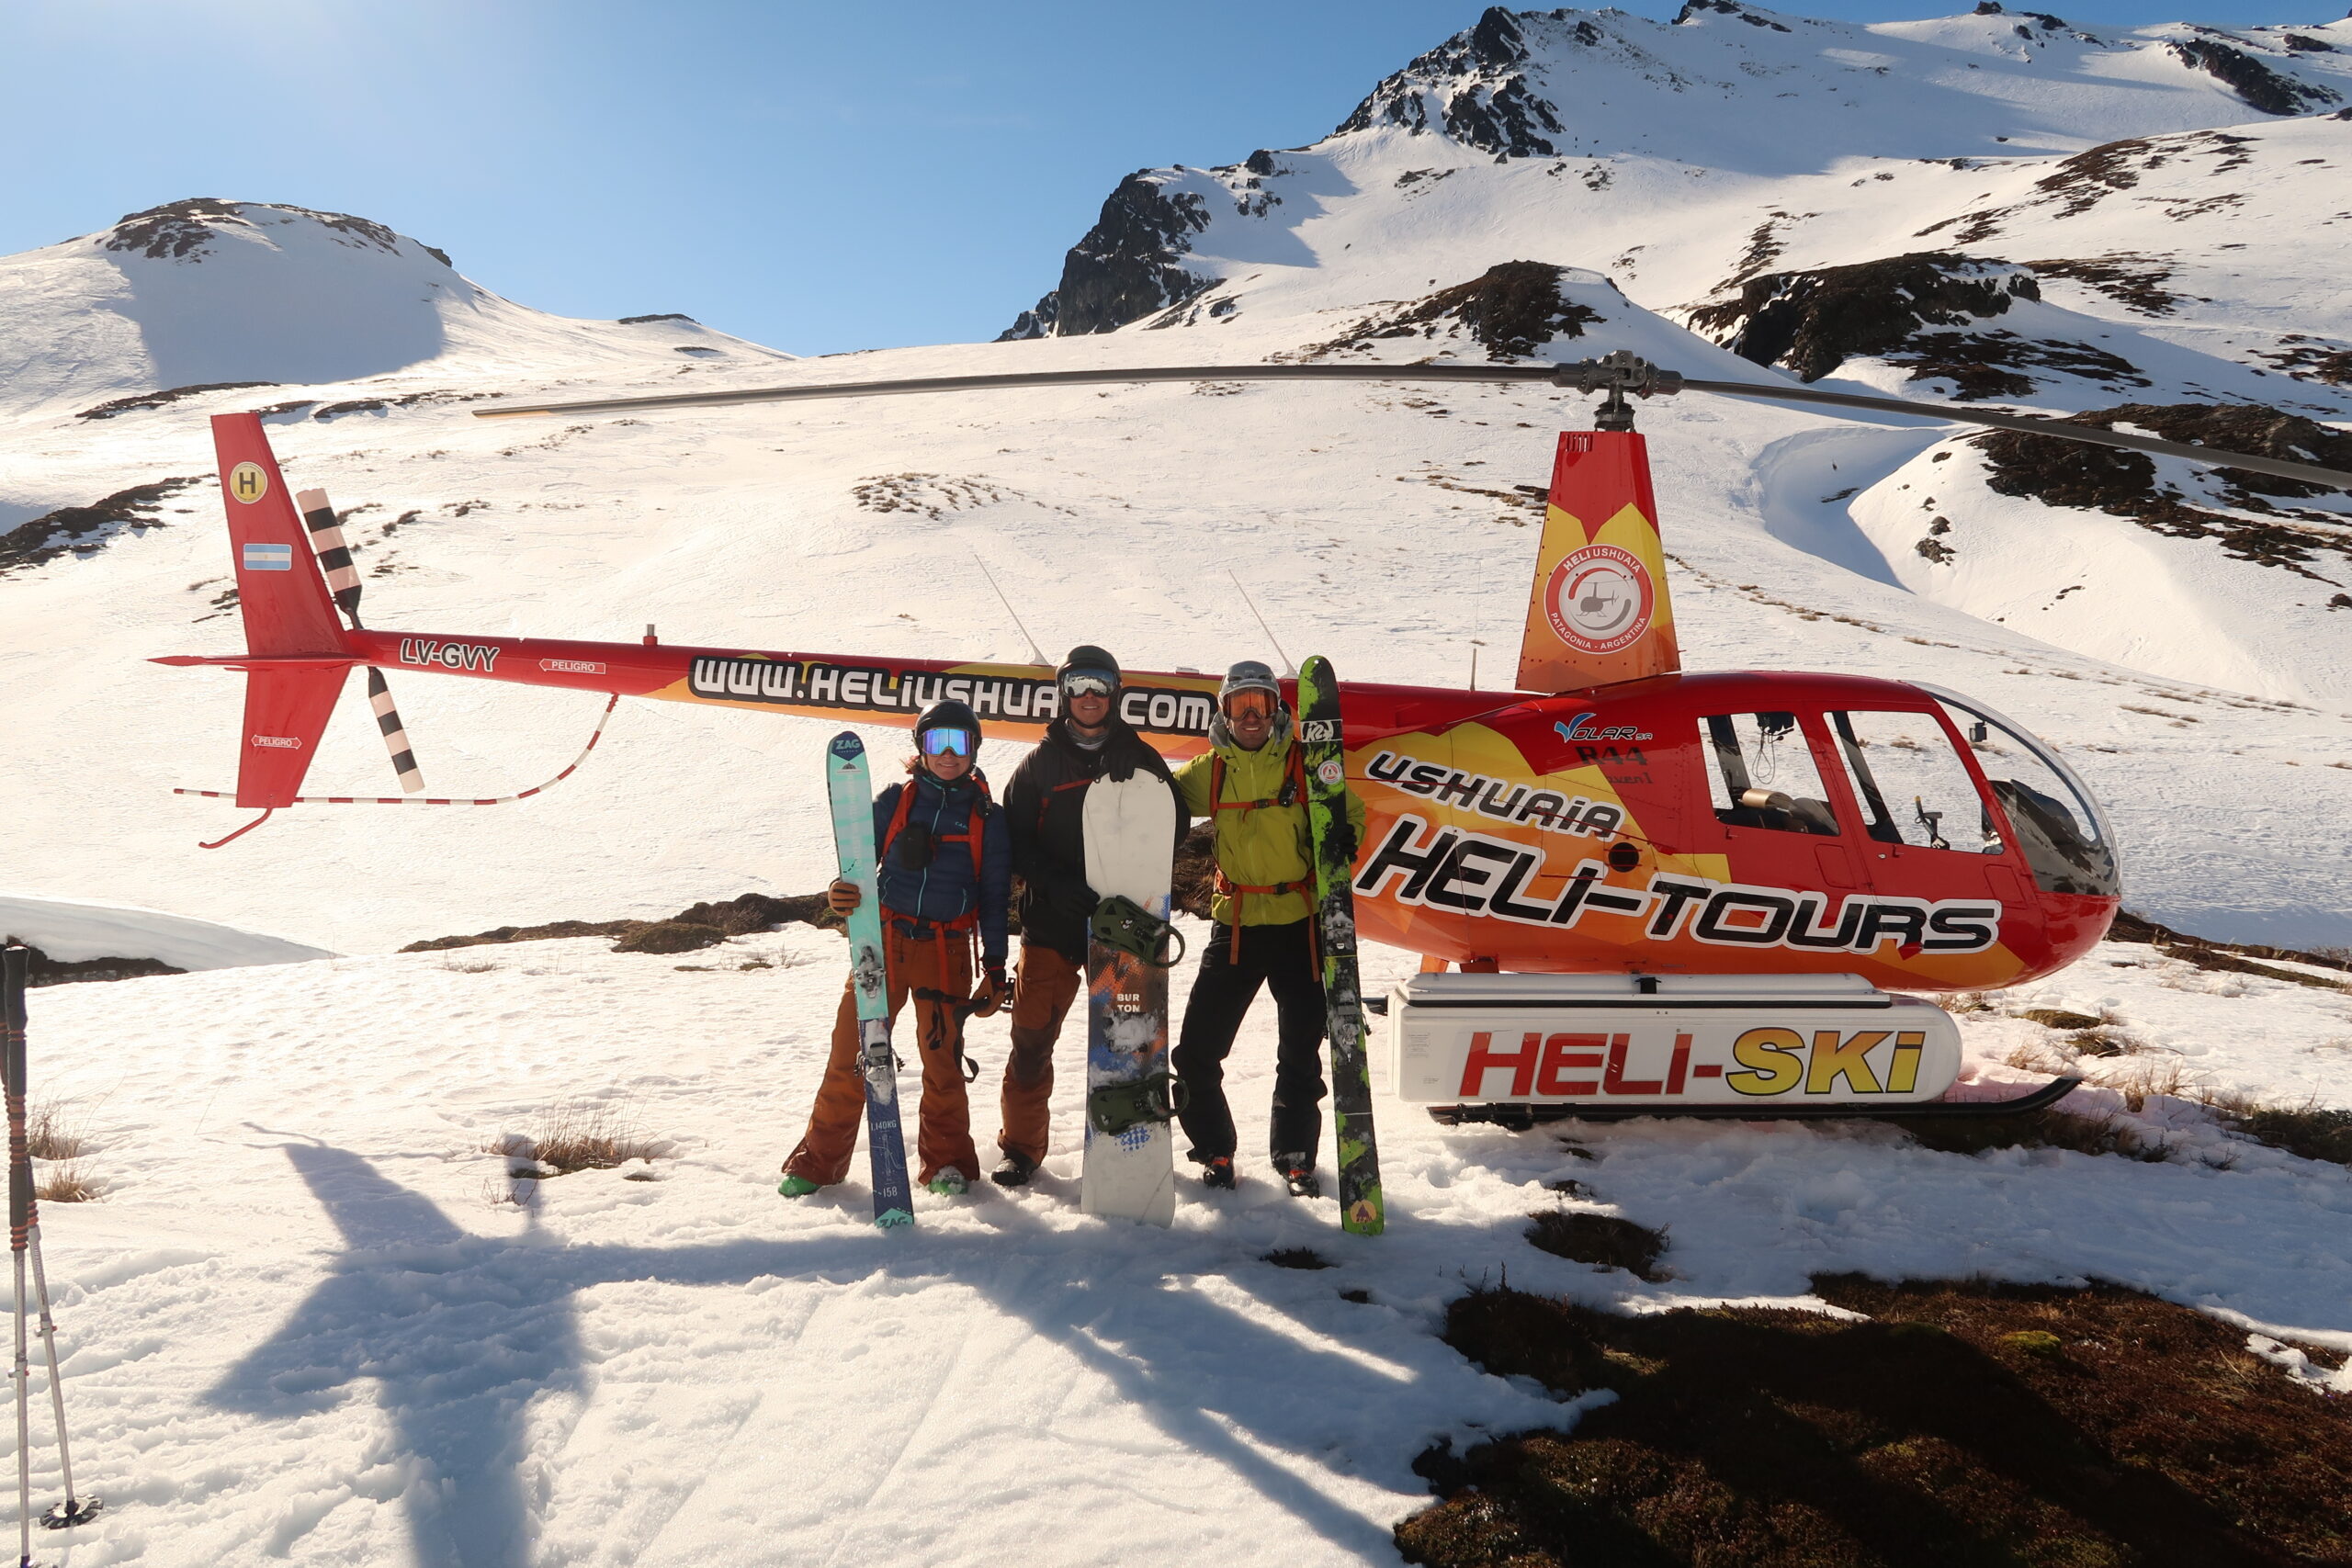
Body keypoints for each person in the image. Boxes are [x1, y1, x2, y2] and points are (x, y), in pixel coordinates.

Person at [780, 699, 1011, 1199]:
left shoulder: (988, 818)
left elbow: (995, 897)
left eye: (959, 743)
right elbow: (855, 866)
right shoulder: (895, 800)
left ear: (974, 749)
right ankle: (818, 1163)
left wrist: (995, 967)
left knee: (942, 1063)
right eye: (936, 742)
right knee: (851, 1050)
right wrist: (839, 893)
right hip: (881, 944)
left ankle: (947, 1164)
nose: (947, 754)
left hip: (947, 951)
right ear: (920, 748)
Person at [991, 646, 1184, 1186]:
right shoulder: (1038, 766)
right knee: (1031, 1041)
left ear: (1116, 692)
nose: (1090, 696)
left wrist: (1145, 778)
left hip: (1123, 926)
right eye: (1078, 684)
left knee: (1130, 1041)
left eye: (1100, 684)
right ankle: (1021, 1149)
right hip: (1052, 924)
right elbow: (1014, 842)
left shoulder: (1140, 755)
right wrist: (1054, 884)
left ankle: (1131, 1147)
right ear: (1064, 694)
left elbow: (1176, 828)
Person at [1170, 660, 1363, 1197]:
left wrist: (1345, 835)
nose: (1251, 716)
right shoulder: (1210, 771)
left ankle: (1296, 1159)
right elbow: (1156, 796)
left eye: (1261, 703)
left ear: (1277, 710)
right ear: (1224, 713)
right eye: (1240, 705)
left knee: (1299, 1054)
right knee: (1196, 1053)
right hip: (1235, 928)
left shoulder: (1306, 764)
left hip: (1299, 926)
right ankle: (1215, 1150)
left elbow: (1351, 810)